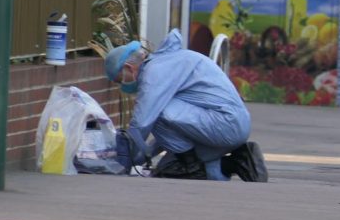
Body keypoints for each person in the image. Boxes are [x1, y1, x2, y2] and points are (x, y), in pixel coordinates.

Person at [104, 29, 265, 181]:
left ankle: (190, 167)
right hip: (229, 123)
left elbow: (141, 124)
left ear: (128, 68)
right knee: (168, 169)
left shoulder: (153, 73)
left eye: (120, 80)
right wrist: (145, 155)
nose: (123, 86)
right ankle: (240, 161)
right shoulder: (169, 62)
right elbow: (173, 130)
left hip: (224, 123)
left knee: (156, 115)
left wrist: (124, 160)